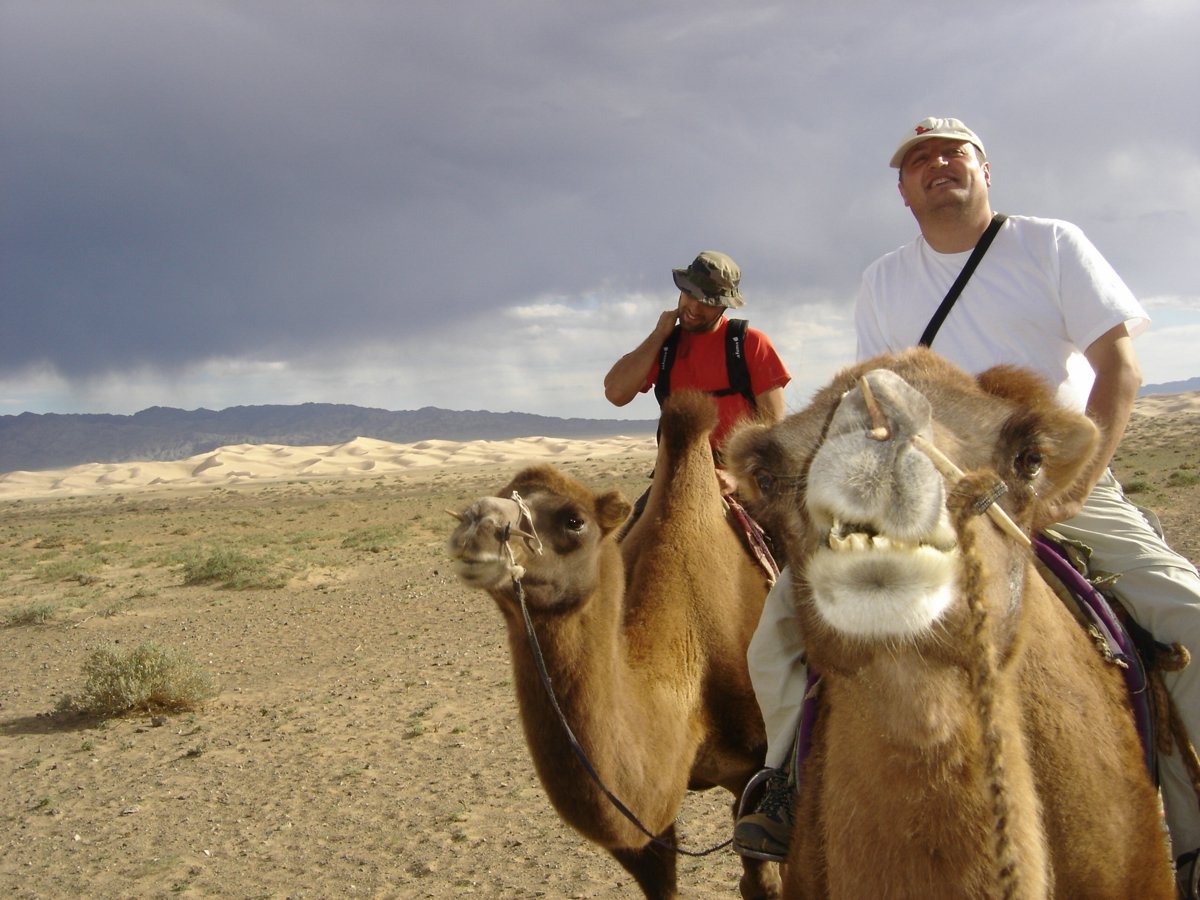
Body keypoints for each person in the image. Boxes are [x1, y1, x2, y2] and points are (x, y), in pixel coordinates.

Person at [737, 117, 1200, 895]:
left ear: (985, 170)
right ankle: (781, 786)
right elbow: (880, 397)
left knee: (1187, 615)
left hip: (1042, 470)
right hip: (927, 483)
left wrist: (1073, 487)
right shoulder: (884, 278)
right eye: (920, 159)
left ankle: (1189, 840)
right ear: (903, 189)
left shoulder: (1051, 245)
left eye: (954, 152)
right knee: (778, 634)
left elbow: (1118, 366)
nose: (938, 163)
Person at [604, 250, 791, 496]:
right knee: (626, 534)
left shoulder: (750, 344)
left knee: (787, 533)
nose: (694, 307)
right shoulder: (665, 346)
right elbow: (616, 393)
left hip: (741, 485)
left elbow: (774, 430)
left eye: (708, 302)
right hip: (675, 481)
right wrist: (659, 335)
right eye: (689, 294)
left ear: (725, 305)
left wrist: (738, 478)